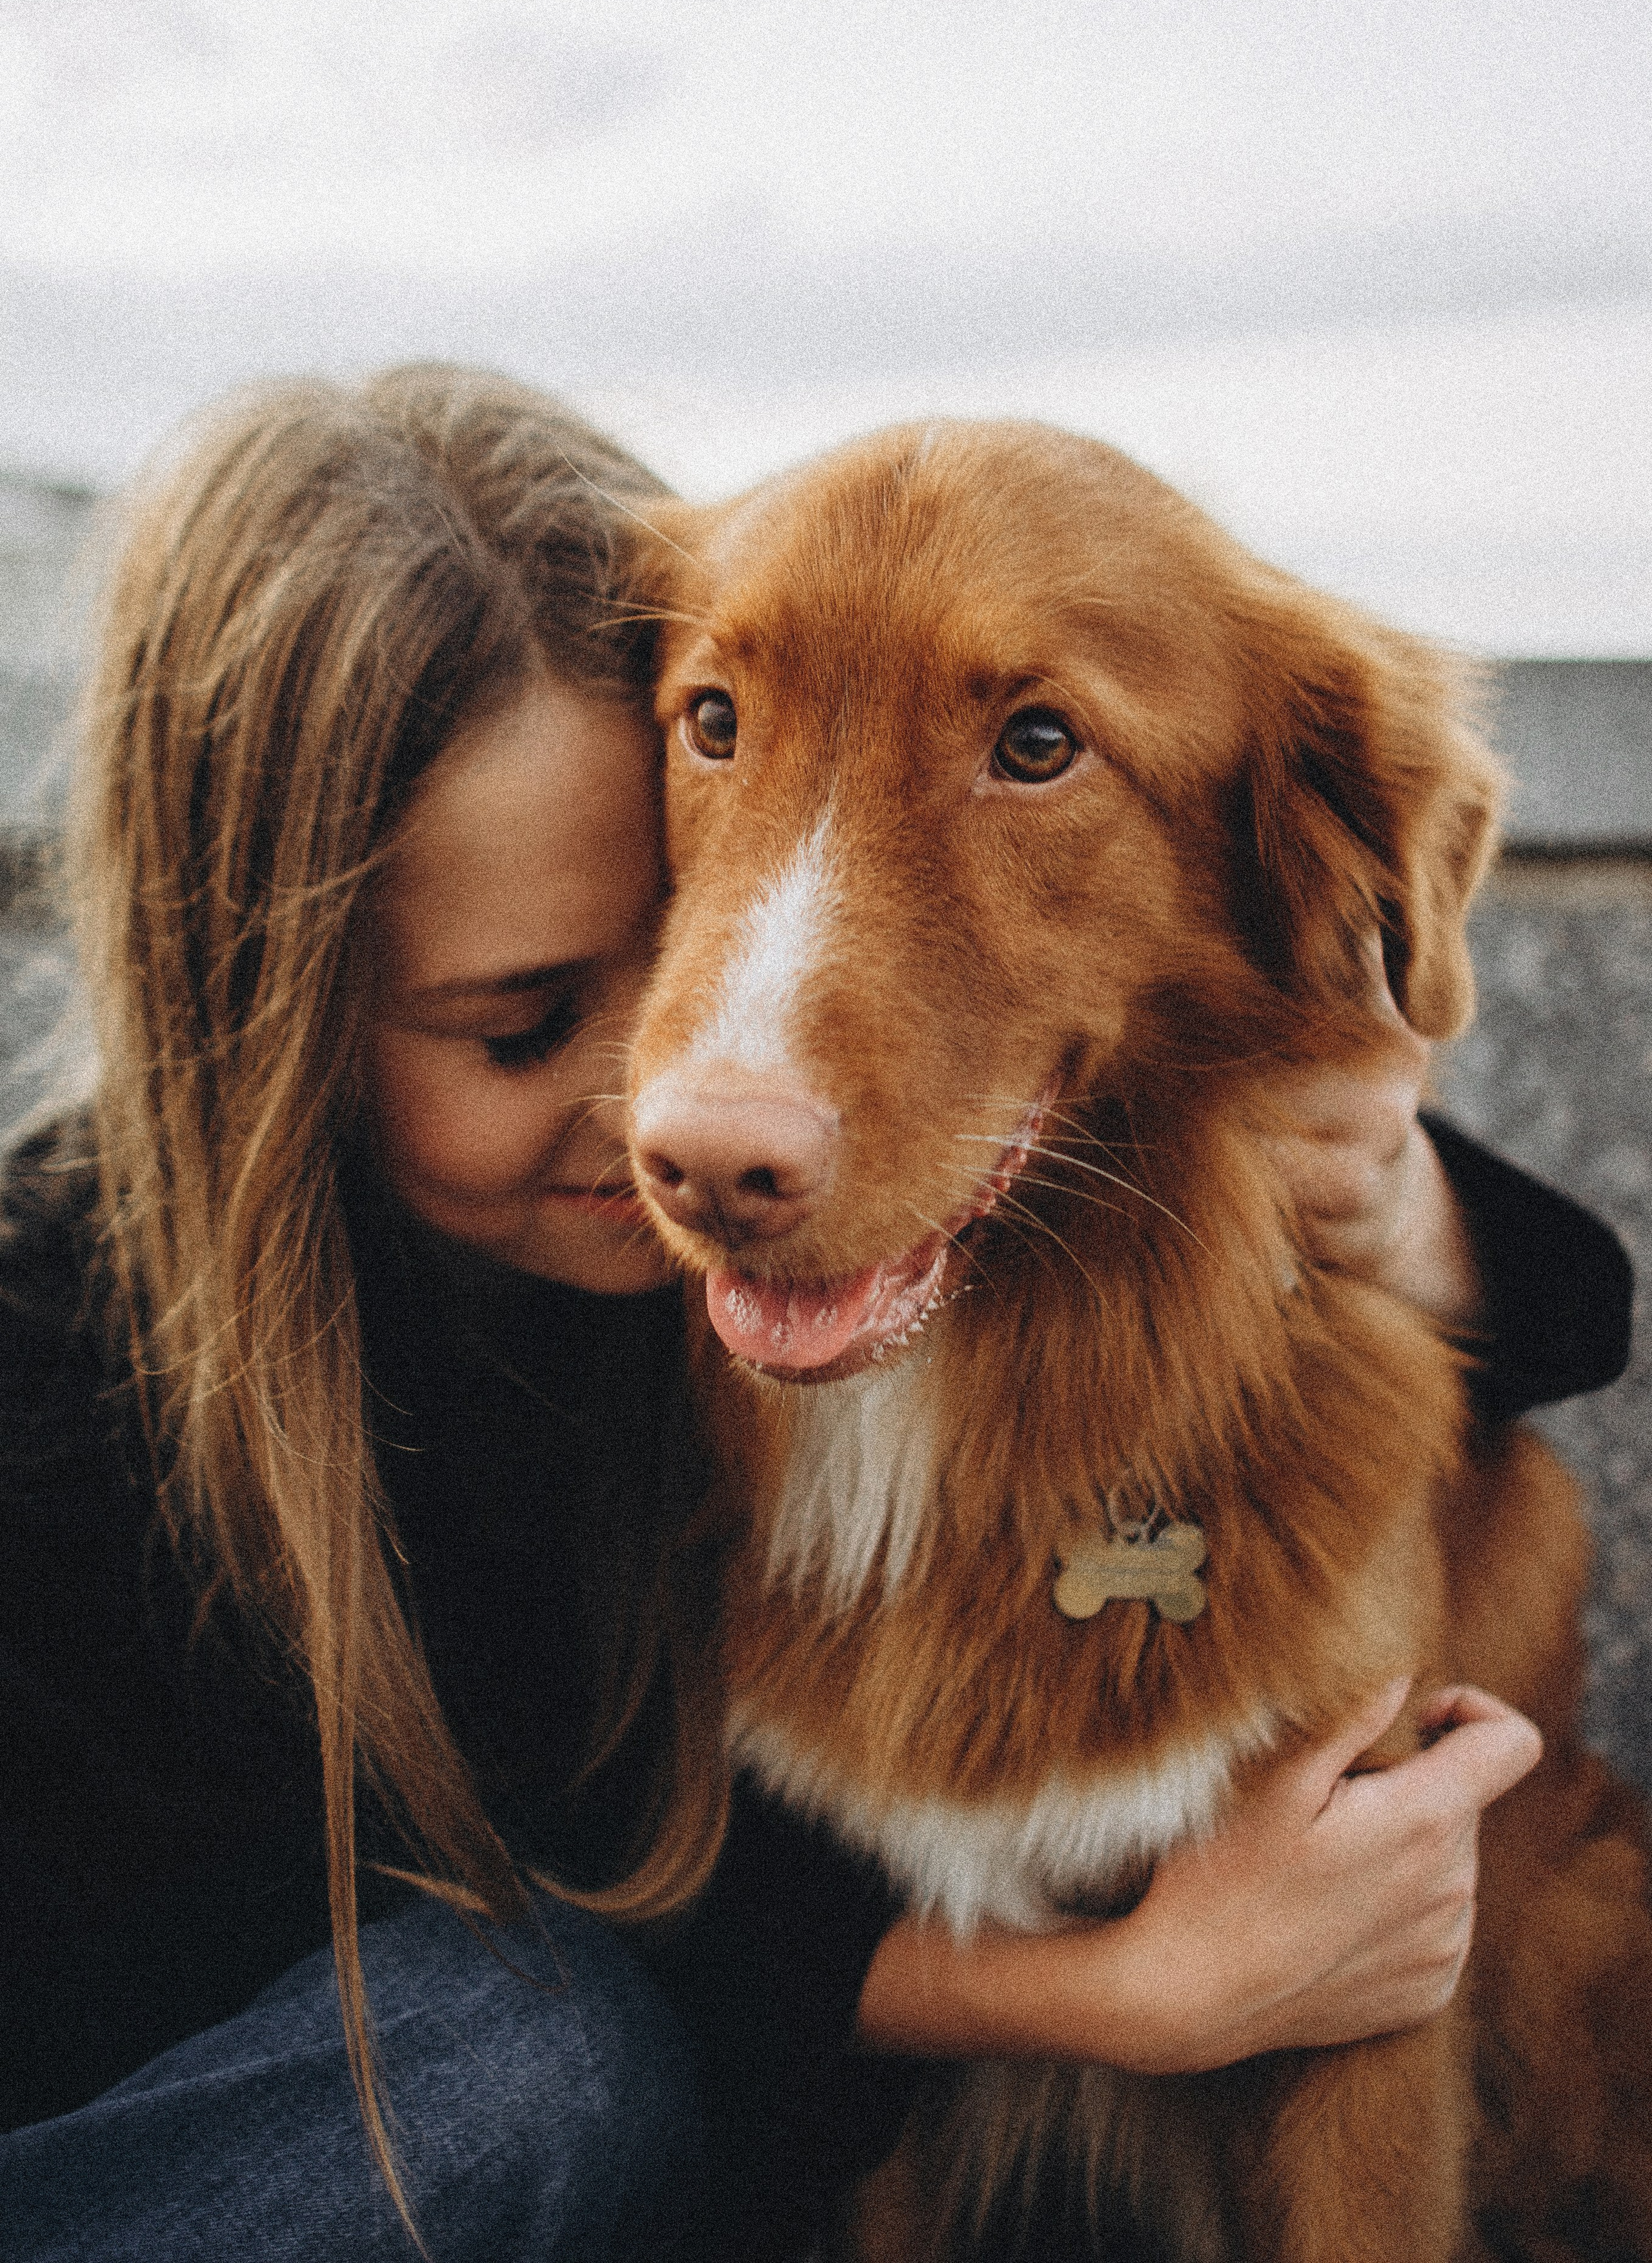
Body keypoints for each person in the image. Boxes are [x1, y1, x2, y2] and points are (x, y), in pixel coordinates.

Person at [0, 365, 1630, 2261]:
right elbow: (505, 1898)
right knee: (513, 2067)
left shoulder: (659, 1259)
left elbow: (1553, 1295)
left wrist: (1408, 1194)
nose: (690, 1088)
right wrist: (1111, 1998)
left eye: (674, 919)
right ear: (265, 1025)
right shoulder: (92, 1386)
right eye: (526, 1020)